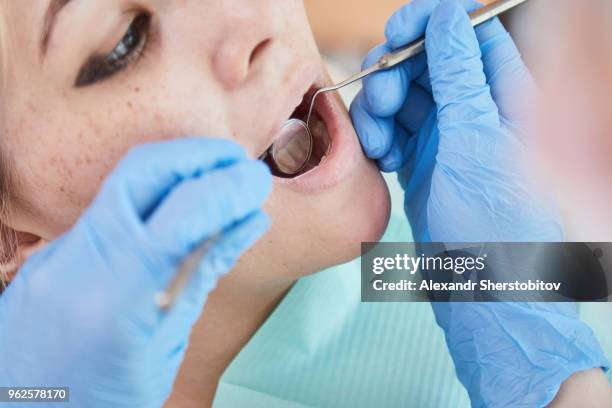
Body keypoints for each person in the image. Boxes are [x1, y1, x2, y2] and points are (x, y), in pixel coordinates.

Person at [0, 1, 608, 407]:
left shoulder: (445, 207)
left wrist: (519, 285)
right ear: (13, 243)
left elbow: (582, 291)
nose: (248, 20)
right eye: (124, 41)